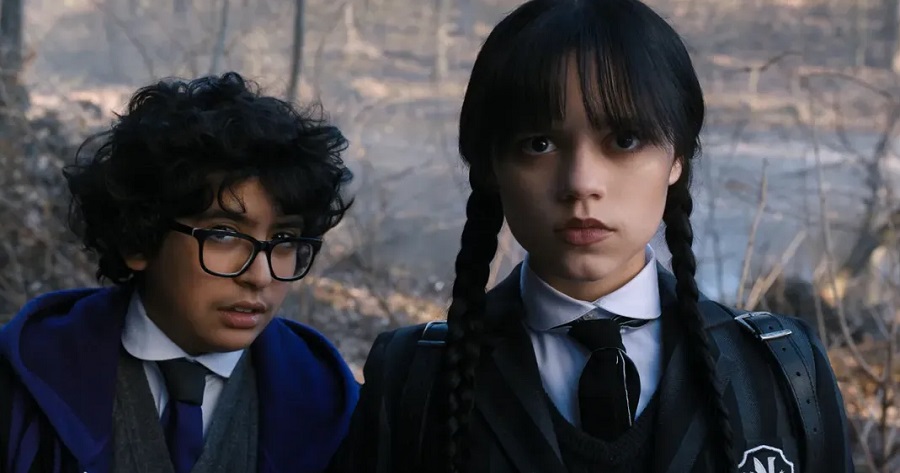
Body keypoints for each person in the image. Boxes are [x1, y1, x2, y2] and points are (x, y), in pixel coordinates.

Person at [329, 1, 854, 472]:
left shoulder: (782, 370)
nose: (581, 183)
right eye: (538, 144)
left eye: (624, 140)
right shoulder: (414, 378)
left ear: (676, 158)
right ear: (490, 167)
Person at [0, 72, 359, 473]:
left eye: (285, 239)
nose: (260, 276)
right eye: (223, 234)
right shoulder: (26, 382)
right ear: (139, 240)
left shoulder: (330, 404)